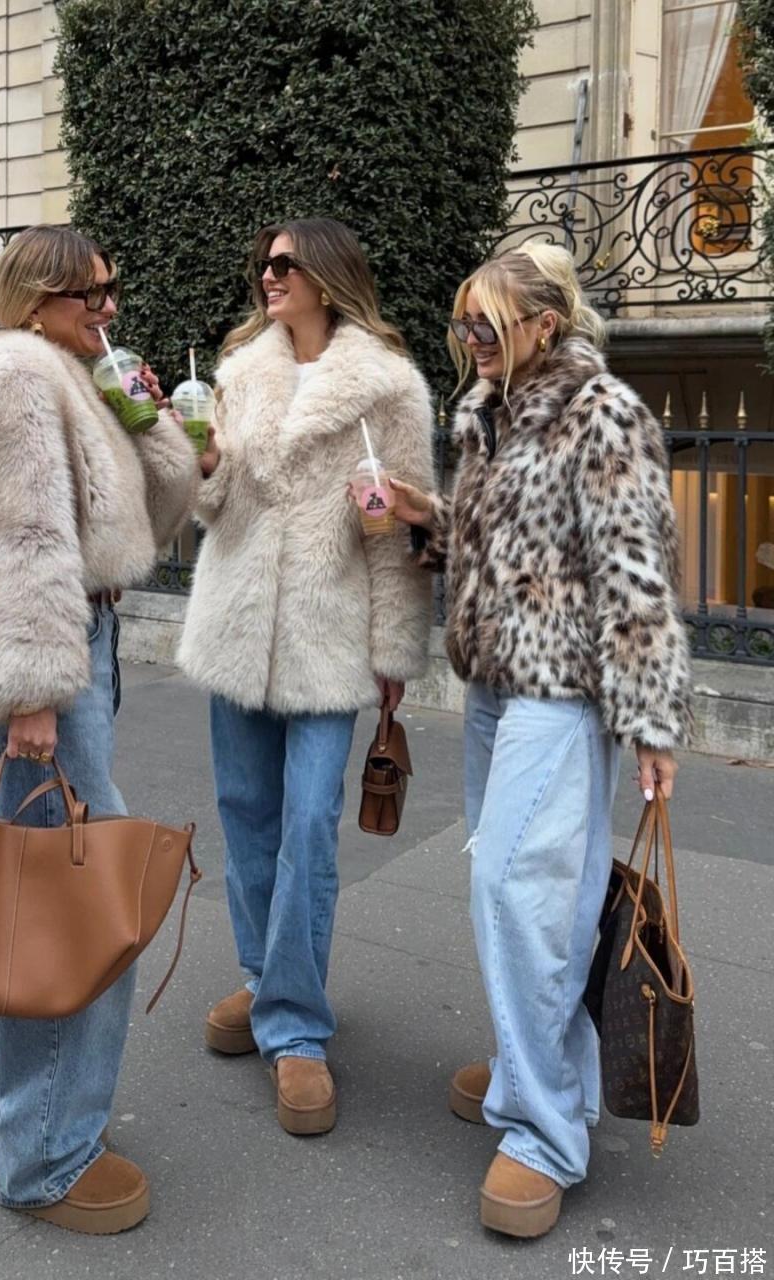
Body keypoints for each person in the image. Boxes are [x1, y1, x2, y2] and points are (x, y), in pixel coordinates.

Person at [390, 242, 692, 1238]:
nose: (469, 337)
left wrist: (651, 720)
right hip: (494, 679)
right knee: (535, 890)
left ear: (545, 323)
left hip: (562, 688)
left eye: (487, 322)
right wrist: (426, 522)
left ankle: (547, 1131)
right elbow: (498, 550)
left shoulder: (600, 412)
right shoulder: (488, 412)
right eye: (463, 322)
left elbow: (636, 570)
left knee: (516, 883)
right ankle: (538, 1066)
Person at [0, 225, 199, 1233]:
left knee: (12, 887)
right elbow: (15, 538)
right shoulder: (17, 377)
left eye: (113, 289)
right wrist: (32, 686)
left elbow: (145, 521)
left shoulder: (61, 376)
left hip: (66, 649)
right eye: (93, 294)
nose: (110, 308)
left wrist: (147, 424)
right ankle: (45, 1155)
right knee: (71, 899)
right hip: (44, 656)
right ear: (38, 300)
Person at [178, 217, 435, 1135]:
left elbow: (399, 537)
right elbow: (215, 507)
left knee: (308, 829)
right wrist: (205, 465)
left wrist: (395, 655)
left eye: (285, 263)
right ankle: (264, 978)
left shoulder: (390, 386)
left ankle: (295, 1028)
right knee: (246, 815)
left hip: (329, 637)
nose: (268, 275)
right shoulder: (240, 371)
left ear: (328, 275)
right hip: (237, 627)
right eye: (264, 263)